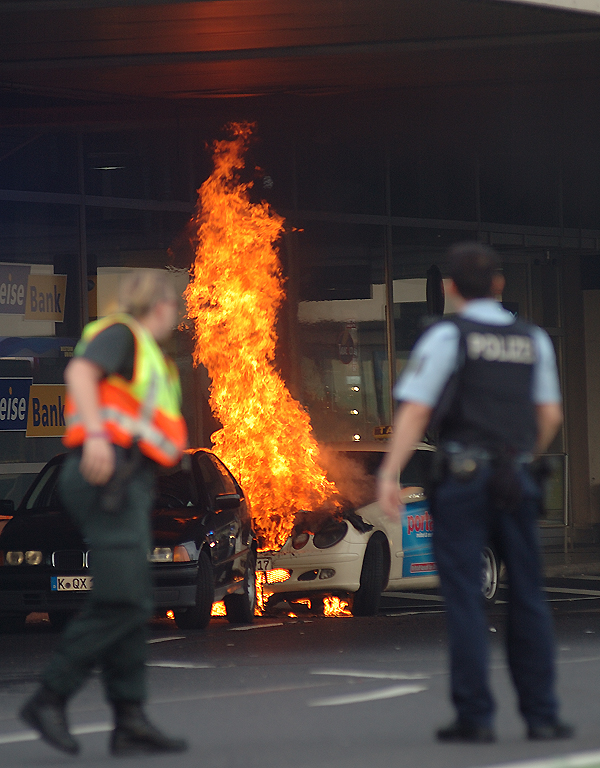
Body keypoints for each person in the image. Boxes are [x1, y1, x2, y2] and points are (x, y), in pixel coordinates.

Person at [377, 242, 573, 744]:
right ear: (501, 285)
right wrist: (520, 458)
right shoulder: (533, 339)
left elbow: (417, 409)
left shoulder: (448, 335)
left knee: (465, 597)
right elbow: (549, 414)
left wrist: (391, 472)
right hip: (516, 478)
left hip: (462, 480)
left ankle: (476, 717)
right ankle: (542, 715)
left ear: (450, 288)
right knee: (528, 596)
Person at [20, 270, 188, 756]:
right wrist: (95, 436)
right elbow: (79, 373)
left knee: (133, 600)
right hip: (107, 474)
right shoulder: (123, 336)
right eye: (173, 309)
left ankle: (130, 719)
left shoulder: (149, 355)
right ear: (158, 307)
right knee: (125, 599)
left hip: (127, 479)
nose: (175, 319)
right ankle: (51, 695)